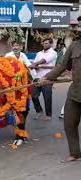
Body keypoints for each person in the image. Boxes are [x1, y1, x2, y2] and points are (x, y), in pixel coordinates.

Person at [39, 16, 81, 163]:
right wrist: (47, 78)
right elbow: (62, 66)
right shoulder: (75, 46)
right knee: (69, 122)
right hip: (75, 92)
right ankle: (75, 153)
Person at [29, 38, 57, 121]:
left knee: (47, 97)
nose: (45, 45)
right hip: (37, 77)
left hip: (48, 77)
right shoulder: (39, 53)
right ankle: (39, 111)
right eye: (44, 43)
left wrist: (35, 64)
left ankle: (48, 115)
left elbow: (43, 60)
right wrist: (35, 67)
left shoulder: (53, 53)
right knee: (33, 95)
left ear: (51, 44)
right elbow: (36, 63)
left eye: (47, 43)